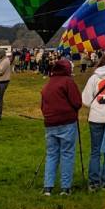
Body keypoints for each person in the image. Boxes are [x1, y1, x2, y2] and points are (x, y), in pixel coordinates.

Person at [40, 58, 83, 196]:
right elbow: (77, 102)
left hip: (50, 123)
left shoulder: (48, 84)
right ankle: (65, 187)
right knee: (67, 154)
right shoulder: (68, 82)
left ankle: (48, 187)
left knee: (51, 154)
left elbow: (42, 105)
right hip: (67, 122)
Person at [81, 52, 105, 192]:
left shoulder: (94, 78)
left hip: (96, 118)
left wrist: (96, 106)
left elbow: (85, 100)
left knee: (95, 151)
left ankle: (93, 182)